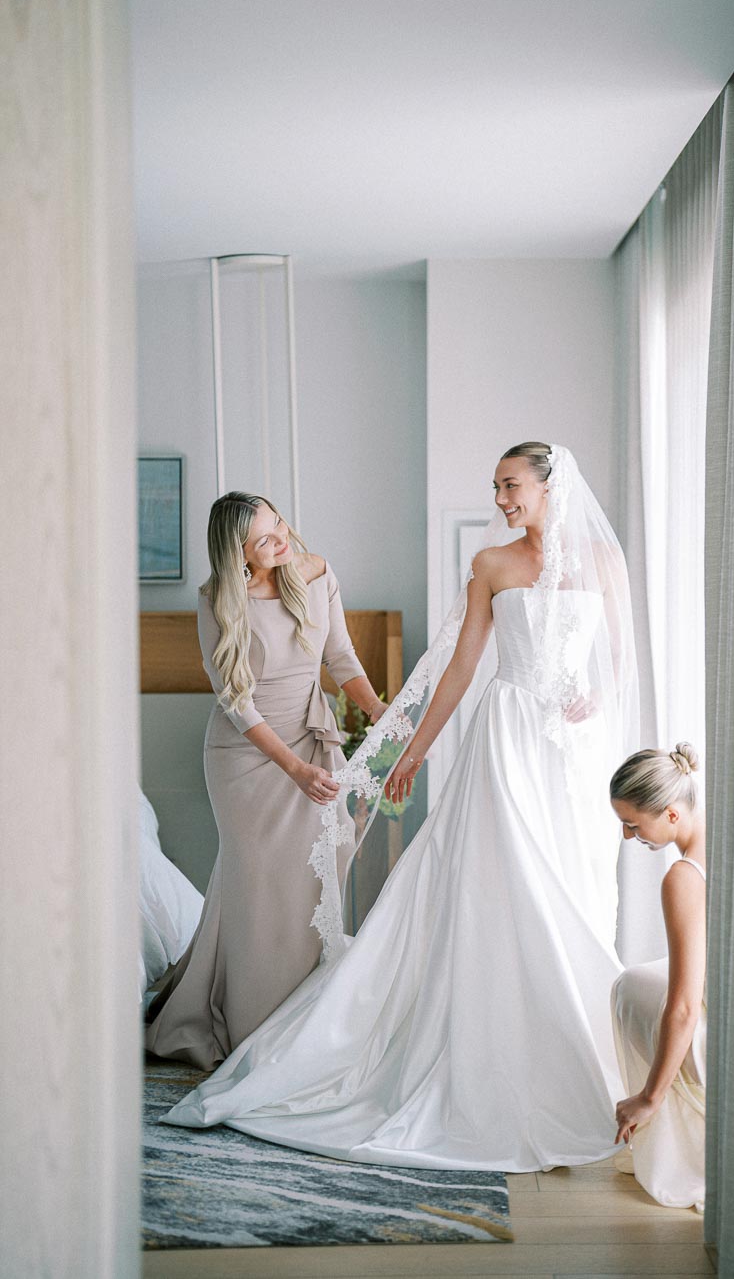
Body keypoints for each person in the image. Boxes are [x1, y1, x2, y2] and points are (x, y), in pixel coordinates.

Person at [161, 443, 640, 1172]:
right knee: (506, 886)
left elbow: (621, 660)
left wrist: (597, 698)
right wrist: (408, 750)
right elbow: (460, 669)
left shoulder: (605, 563)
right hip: (505, 741)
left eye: (511, 486)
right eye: (496, 487)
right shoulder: (491, 567)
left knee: (577, 887)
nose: (501, 499)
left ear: (551, 485)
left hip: (575, 753)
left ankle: (588, 1055)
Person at [145, 492, 388, 1070]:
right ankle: (248, 1023)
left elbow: (343, 659)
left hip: (312, 740)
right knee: (254, 888)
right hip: (248, 758)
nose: (280, 541)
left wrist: (377, 709)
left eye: (277, 525)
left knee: (308, 882)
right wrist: (294, 769)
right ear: (238, 554)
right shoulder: (216, 600)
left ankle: (301, 1015)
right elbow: (235, 700)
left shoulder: (316, 572)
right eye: (264, 540)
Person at [608, 742, 707, 1211]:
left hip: (712, 1009)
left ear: (670, 814)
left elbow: (685, 1006)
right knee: (639, 980)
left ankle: (666, 1141)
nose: (629, 837)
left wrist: (650, 1094)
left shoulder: (684, 876)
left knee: (631, 990)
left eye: (632, 824)